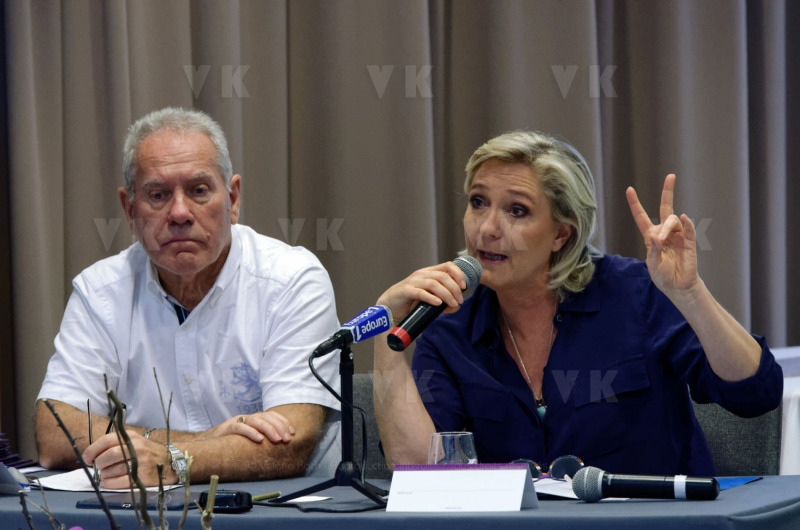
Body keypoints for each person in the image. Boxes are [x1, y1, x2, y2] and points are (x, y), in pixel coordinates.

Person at [373, 130, 783, 476]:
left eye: (517, 211)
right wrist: (387, 334)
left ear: (561, 234)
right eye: (478, 202)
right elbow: (419, 473)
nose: (487, 229)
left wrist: (690, 294)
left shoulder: (635, 293)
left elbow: (755, 394)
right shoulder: (449, 326)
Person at [35, 107, 341, 488]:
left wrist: (170, 460)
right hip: (146, 513)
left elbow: (292, 443)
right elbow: (54, 432)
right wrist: (204, 442)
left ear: (232, 199)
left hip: (283, 508)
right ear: (130, 210)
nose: (180, 213)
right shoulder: (101, 292)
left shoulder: (292, 281)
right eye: (158, 195)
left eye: (198, 191)